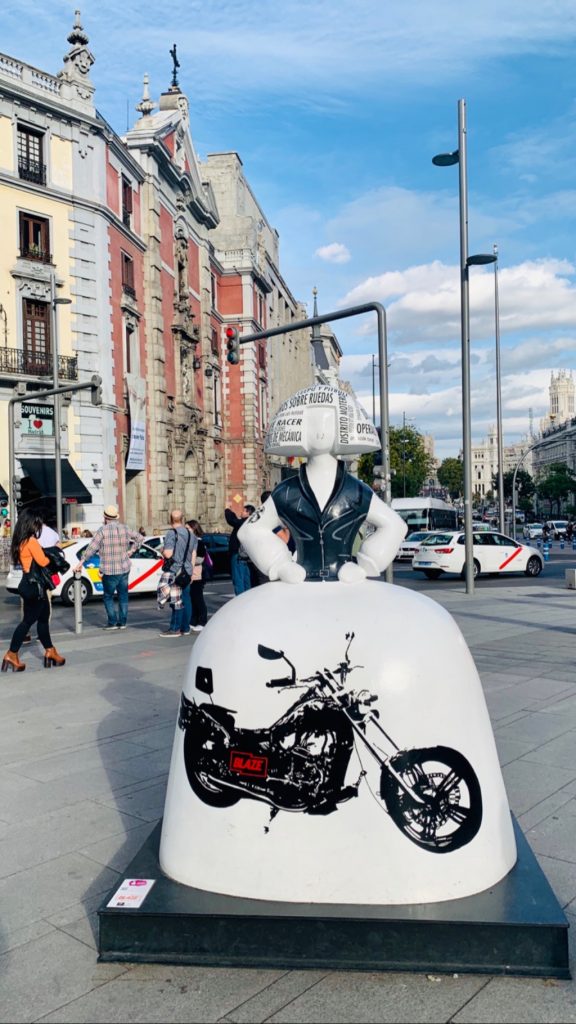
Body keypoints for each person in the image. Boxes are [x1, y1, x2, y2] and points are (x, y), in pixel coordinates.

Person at [2, 510, 66, 672]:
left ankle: (50, 651)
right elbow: (43, 561)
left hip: (30, 583)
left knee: (43, 619)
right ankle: (11, 653)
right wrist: (54, 552)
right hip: (34, 586)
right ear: (31, 524)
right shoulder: (31, 541)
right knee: (28, 621)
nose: (38, 526)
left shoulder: (20, 541)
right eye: (37, 523)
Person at [73, 505, 141, 630]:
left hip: (109, 570)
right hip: (124, 567)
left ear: (105, 517)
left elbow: (91, 549)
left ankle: (112, 622)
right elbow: (140, 538)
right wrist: (132, 551)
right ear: (115, 517)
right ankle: (123, 622)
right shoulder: (124, 528)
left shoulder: (102, 531)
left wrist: (80, 563)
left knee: (108, 596)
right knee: (123, 595)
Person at [159, 510, 195, 637]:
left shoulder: (171, 533)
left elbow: (168, 554)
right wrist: (191, 572)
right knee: (185, 599)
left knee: (176, 601)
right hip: (187, 571)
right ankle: (185, 627)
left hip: (175, 571)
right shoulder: (191, 535)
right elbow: (193, 555)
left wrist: (163, 550)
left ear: (170, 519)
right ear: (182, 519)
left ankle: (175, 629)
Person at [224, 503, 254, 595]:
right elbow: (235, 521)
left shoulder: (244, 523)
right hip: (246, 555)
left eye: (244, 510)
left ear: (248, 513)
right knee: (246, 579)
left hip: (238, 555)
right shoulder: (251, 522)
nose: (241, 512)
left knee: (238, 579)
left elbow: (232, 521)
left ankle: (241, 601)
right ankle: (248, 600)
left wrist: (227, 509)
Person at [187, 519, 209, 632]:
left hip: (197, 573)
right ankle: (193, 620)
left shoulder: (199, 542)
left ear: (194, 529)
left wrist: (188, 560)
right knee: (192, 598)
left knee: (198, 598)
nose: (186, 530)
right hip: (192, 572)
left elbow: (200, 559)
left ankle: (202, 621)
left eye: (188, 528)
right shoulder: (191, 541)